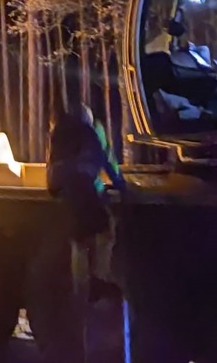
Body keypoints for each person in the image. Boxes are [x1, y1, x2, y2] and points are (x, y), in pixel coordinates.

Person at [47, 100, 126, 301]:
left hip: (63, 189)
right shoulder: (90, 131)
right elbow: (105, 159)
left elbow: (52, 165)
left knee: (78, 240)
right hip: (83, 186)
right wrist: (119, 184)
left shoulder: (58, 132)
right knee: (105, 232)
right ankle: (98, 281)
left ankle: (80, 291)